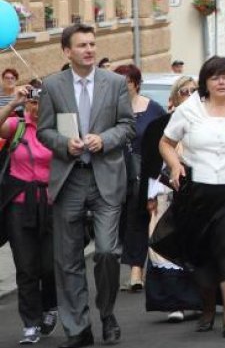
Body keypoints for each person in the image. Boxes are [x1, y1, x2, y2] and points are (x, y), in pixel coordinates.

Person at [37, 24, 135, 348]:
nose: (89, 50)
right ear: (67, 51)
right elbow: (44, 132)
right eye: (82, 45)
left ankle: (106, 313)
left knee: (107, 251)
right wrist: (66, 144)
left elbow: (127, 126)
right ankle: (77, 326)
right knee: (67, 259)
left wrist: (103, 139)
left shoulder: (116, 83)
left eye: (92, 44)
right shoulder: (52, 86)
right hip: (70, 177)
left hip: (106, 176)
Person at [158, 56, 225, 338]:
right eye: (214, 77)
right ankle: (206, 308)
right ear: (205, 82)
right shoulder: (190, 108)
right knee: (200, 254)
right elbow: (166, 142)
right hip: (197, 192)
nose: (221, 82)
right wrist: (176, 165)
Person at [0, 83, 59, 344]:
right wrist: (13, 103)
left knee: (48, 265)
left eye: (40, 103)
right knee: (25, 267)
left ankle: (50, 306)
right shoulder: (17, 125)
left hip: (51, 204)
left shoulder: (57, 129)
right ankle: (31, 324)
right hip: (20, 204)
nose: (35, 108)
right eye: (32, 103)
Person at [140, 76, 203, 323]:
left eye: (194, 91)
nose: (190, 94)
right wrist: (150, 195)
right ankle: (173, 303)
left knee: (195, 247)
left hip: (198, 196)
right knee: (164, 249)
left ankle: (197, 300)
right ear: (176, 98)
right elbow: (151, 164)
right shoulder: (161, 126)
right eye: (185, 91)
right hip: (166, 195)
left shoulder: (206, 122)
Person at [112, 65, 166, 293]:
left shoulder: (153, 109)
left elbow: (165, 138)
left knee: (139, 218)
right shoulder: (110, 111)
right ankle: (135, 267)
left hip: (146, 171)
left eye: (126, 82)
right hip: (117, 172)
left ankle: (137, 271)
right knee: (125, 221)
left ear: (136, 83)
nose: (122, 87)